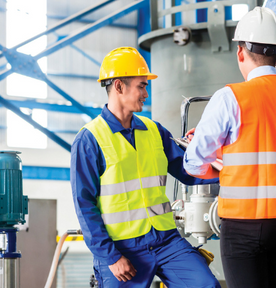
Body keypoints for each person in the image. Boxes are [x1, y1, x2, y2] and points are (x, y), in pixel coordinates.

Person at [183, 7, 276, 288]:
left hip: (242, 224)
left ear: (240, 53)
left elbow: (193, 164)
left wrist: (214, 152)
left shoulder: (229, 97)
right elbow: (272, 147)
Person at [71, 47, 221, 288]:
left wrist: (227, 172)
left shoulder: (154, 131)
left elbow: (189, 170)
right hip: (121, 248)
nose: (146, 94)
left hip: (166, 241)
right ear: (119, 86)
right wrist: (111, 257)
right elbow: (84, 205)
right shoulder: (89, 139)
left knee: (205, 285)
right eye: (141, 86)